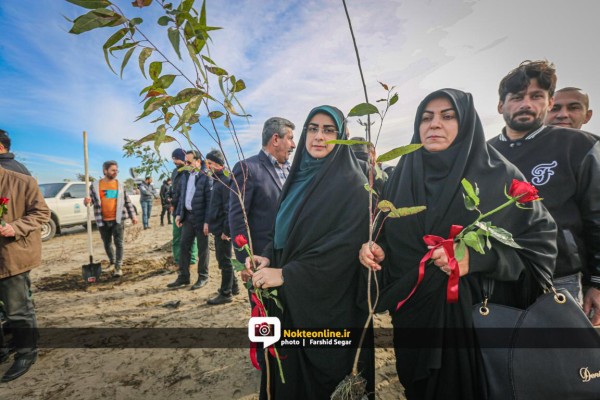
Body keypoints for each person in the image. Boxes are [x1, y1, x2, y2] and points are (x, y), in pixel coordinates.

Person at [359, 89, 557, 399]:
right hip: (415, 320)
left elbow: (540, 247)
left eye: (447, 116)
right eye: (426, 117)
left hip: (474, 320)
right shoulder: (402, 177)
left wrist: (477, 259)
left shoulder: (499, 175)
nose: (434, 124)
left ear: (466, 123)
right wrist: (375, 248)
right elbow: (386, 234)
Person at [247, 106, 374, 399]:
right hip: (288, 299)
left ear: (342, 137)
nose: (319, 136)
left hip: (326, 304)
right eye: (313, 129)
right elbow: (287, 229)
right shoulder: (298, 177)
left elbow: (342, 250)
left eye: (329, 130)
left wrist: (288, 274)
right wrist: (268, 256)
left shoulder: (352, 185)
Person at [489, 61, 600, 324]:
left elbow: (597, 215)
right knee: (503, 358)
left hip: (560, 278)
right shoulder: (483, 155)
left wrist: (597, 281)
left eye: (536, 96)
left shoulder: (578, 146)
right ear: (501, 106)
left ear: (549, 102)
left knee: (561, 359)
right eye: (516, 97)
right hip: (499, 277)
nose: (526, 104)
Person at [0, 166, 50, 382]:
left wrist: (15, 227)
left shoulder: (22, 182)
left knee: (17, 310)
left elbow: (41, 213)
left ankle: (26, 353)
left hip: (11, 257)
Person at [229, 117, 296, 263]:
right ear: (276, 139)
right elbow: (238, 217)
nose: (294, 145)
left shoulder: (293, 170)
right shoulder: (247, 168)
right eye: (290, 138)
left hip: (292, 255)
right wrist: (246, 259)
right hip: (262, 258)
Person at [83, 160, 138, 277]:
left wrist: (133, 216)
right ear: (105, 170)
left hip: (118, 219)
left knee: (119, 243)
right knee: (107, 243)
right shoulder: (95, 185)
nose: (115, 172)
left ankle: (118, 267)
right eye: (113, 170)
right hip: (102, 220)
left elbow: (127, 202)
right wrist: (86, 201)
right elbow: (90, 201)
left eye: (116, 170)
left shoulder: (120, 185)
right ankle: (112, 262)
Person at [169, 150, 212, 289]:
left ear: (198, 162)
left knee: (202, 249)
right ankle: (183, 277)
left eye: (189, 162)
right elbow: (182, 197)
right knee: (184, 245)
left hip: (200, 218)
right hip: (187, 217)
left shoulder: (206, 177)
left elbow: (209, 202)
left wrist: (207, 221)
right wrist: (179, 214)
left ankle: (203, 277)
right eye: (185, 162)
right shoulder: (186, 176)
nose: (186, 165)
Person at [205, 149, 239, 305]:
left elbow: (229, 209)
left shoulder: (225, 181)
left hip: (223, 230)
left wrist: (226, 231)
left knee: (224, 261)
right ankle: (234, 287)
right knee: (224, 259)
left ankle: (226, 294)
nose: (207, 166)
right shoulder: (217, 180)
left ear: (218, 164)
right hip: (218, 228)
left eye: (210, 163)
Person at [169, 149, 198, 269]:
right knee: (177, 236)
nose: (175, 161)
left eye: (176, 158)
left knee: (191, 237)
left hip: (188, 210)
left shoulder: (189, 172)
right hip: (177, 208)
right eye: (173, 159)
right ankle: (178, 259)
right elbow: (174, 190)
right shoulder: (175, 172)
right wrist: (170, 201)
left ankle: (191, 260)